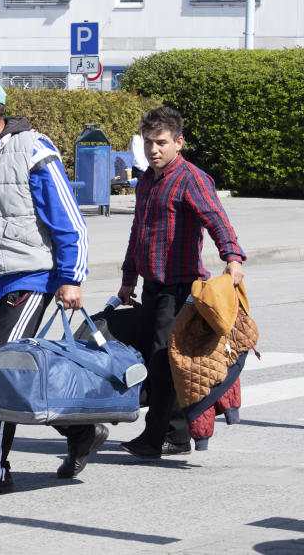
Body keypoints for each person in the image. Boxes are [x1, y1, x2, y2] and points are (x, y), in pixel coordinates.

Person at [0, 77, 104, 496]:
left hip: (31, 277)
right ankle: (80, 428)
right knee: (17, 373)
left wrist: (70, 277)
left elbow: (68, 219)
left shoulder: (32, 148)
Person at [118, 106, 245, 459]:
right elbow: (138, 233)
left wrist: (232, 258)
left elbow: (217, 220)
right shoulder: (146, 180)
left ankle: (156, 437)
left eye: (161, 142)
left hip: (181, 287)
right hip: (152, 285)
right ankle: (175, 434)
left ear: (179, 142)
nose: (153, 150)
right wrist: (129, 278)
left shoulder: (192, 178)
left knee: (162, 361)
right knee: (159, 360)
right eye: (148, 143)